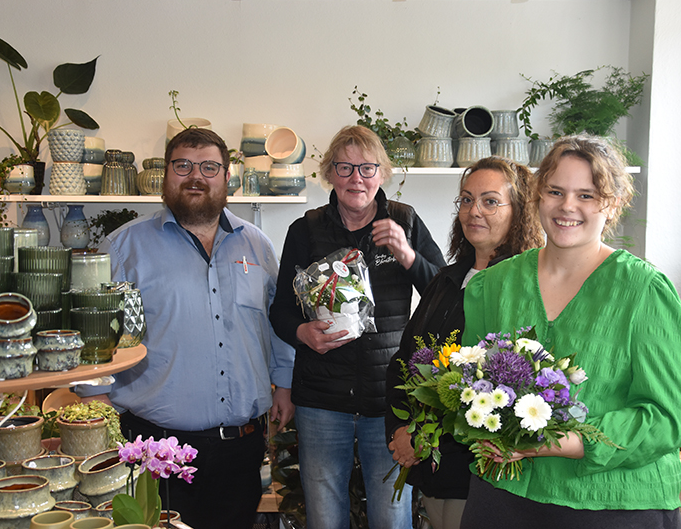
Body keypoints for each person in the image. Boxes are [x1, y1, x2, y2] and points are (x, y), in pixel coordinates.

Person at [459, 135, 681, 529]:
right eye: (555, 191)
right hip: (504, 496)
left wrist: (556, 443)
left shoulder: (644, 293)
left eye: (586, 195)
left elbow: (673, 417)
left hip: (614, 505)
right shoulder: (495, 285)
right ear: (537, 196)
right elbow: (472, 386)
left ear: (612, 203)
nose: (567, 206)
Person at [79, 128, 295, 529]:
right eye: (183, 165)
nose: (196, 176)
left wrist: (284, 384)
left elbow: (277, 322)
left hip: (241, 449)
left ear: (226, 176)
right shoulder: (124, 248)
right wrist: (100, 409)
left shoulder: (258, 246)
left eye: (209, 166)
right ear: (166, 174)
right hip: (154, 450)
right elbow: (91, 333)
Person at [269, 125, 446, 529]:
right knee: (324, 513)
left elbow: (442, 295)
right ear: (329, 174)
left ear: (382, 173)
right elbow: (280, 309)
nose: (356, 179)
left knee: (390, 512)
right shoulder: (305, 229)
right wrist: (302, 334)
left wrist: (406, 252)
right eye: (345, 167)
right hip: (320, 399)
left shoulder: (404, 220)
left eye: (367, 168)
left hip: (387, 400)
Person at [385, 156, 543, 529]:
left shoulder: (524, 287)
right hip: (429, 470)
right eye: (467, 200)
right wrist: (400, 428)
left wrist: (422, 434)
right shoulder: (446, 279)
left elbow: (499, 384)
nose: (475, 211)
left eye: (490, 201)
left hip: (478, 474)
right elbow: (405, 359)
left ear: (519, 211)